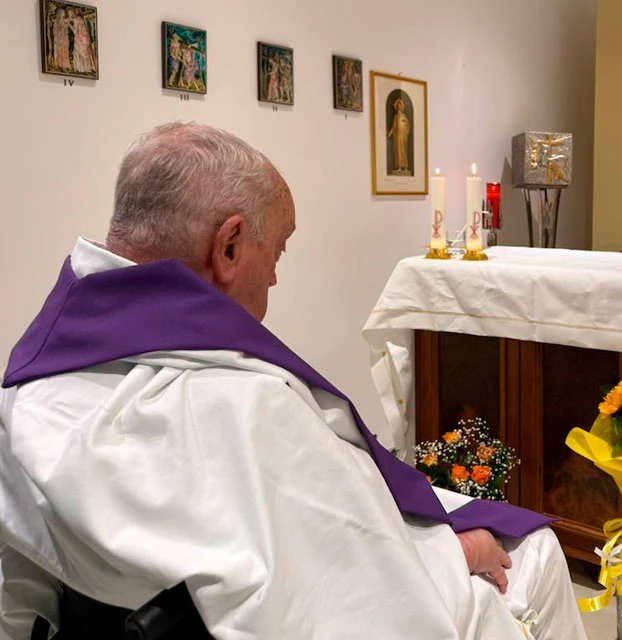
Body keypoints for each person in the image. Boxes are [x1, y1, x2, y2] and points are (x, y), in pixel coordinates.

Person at [0, 123, 586, 639]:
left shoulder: (30, 388)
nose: (275, 279)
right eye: (275, 251)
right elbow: (351, 584)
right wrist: (454, 553)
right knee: (535, 553)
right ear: (228, 247)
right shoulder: (246, 406)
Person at [388, 98, 411, 173]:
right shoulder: (396, 116)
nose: (399, 107)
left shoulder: (404, 115)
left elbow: (408, 124)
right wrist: (390, 133)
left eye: (400, 105)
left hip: (403, 135)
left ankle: (405, 166)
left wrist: (406, 121)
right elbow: (393, 127)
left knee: (403, 150)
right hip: (397, 136)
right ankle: (399, 166)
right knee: (398, 150)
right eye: (398, 105)